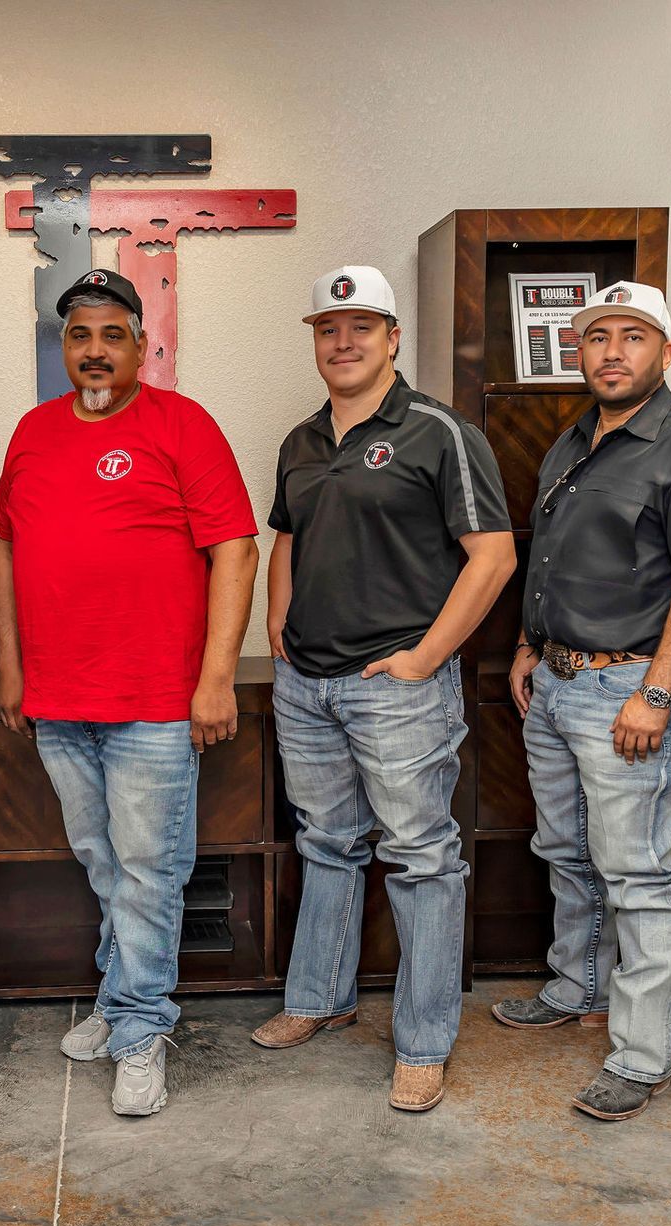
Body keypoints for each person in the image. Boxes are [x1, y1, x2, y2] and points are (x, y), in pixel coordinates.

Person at [0, 267, 258, 1117]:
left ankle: (142, 1030)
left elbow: (236, 551)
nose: (96, 350)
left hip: (154, 702)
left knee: (148, 872)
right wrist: (12, 664)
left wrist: (215, 678)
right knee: (104, 863)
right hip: (61, 703)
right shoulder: (32, 433)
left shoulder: (184, 424)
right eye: (80, 335)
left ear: (144, 345)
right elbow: (4, 549)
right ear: (62, 347)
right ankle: (117, 999)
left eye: (113, 334)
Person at [248, 266, 514, 1113]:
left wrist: (425, 657)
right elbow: (285, 538)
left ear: (392, 338)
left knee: (422, 858)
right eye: (329, 329)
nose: (344, 342)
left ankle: (424, 1041)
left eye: (362, 326)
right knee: (326, 844)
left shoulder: (439, 432)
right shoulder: (300, 440)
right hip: (309, 684)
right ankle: (317, 1002)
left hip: (397, 685)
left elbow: (495, 555)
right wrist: (278, 632)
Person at [496, 281, 671, 1121]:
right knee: (567, 849)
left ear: (664, 353)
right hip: (559, 681)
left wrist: (656, 690)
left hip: (626, 690)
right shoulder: (571, 441)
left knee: (638, 873)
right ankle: (577, 986)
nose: (612, 350)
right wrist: (531, 648)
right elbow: (552, 562)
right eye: (596, 336)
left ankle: (640, 1056)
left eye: (632, 336)